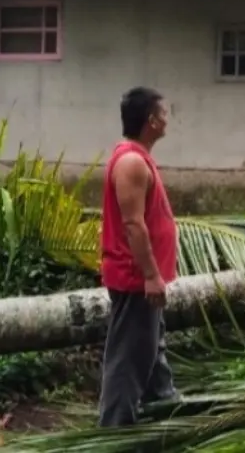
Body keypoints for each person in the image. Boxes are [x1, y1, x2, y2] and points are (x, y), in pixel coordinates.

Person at [99, 87, 180, 427]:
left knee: (150, 348)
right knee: (128, 359)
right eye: (164, 113)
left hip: (144, 278)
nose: (167, 119)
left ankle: (165, 402)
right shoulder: (132, 162)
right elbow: (133, 225)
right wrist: (150, 275)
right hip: (136, 279)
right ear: (151, 121)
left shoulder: (138, 157)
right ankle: (113, 432)